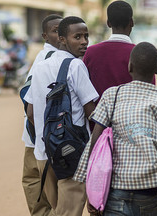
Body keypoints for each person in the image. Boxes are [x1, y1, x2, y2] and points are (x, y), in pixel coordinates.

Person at [84, 42, 157, 216]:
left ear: (129, 66)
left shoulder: (111, 95)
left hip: (115, 192)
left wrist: (91, 193)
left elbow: (95, 144)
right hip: (148, 194)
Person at [24, 16, 99, 216]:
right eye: (77, 37)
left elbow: (30, 112)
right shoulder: (75, 66)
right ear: (62, 39)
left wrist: (48, 136)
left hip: (43, 152)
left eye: (86, 36)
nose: (84, 41)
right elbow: (91, 112)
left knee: (56, 210)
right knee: (69, 211)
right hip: (70, 154)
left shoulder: (39, 67)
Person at [21, 14, 62, 216]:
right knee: (41, 189)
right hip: (44, 138)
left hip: (39, 137)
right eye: (56, 31)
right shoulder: (48, 58)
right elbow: (30, 109)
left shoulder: (46, 56)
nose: (61, 35)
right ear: (45, 35)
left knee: (37, 188)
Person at [83, 0, 155, 100]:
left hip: (97, 114)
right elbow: (150, 91)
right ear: (132, 22)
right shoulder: (141, 54)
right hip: (131, 115)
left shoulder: (90, 53)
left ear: (108, 23)